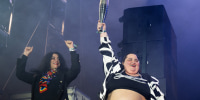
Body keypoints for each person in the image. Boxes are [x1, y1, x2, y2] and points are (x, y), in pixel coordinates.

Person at [97, 21, 165, 100]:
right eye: (129, 59)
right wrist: (103, 31)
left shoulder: (147, 79)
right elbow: (107, 51)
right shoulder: (115, 72)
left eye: (136, 60)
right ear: (123, 63)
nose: (133, 62)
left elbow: (160, 97)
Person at [16, 40, 80, 100]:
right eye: (53, 58)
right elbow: (20, 74)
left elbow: (75, 69)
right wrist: (25, 55)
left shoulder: (63, 77)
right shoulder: (38, 77)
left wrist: (71, 49)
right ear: (48, 61)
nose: (56, 60)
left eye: (58, 58)